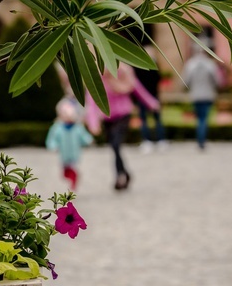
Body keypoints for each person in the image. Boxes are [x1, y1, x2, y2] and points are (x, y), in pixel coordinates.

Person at [85, 63, 160, 191]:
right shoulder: (98, 79)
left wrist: (151, 103)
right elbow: (91, 102)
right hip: (108, 118)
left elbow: (137, 89)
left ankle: (120, 176)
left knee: (115, 144)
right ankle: (125, 173)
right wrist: (93, 123)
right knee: (115, 148)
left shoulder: (123, 74)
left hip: (123, 114)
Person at [46, 97, 94, 191]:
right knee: (64, 171)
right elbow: (52, 139)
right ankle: (71, 181)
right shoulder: (57, 127)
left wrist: (89, 141)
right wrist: (53, 146)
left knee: (72, 169)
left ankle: (73, 183)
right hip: (64, 153)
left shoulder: (77, 127)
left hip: (74, 153)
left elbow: (83, 136)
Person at [182, 48, 222, 150]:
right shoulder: (210, 64)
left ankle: (200, 140)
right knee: (204, 118)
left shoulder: (190, 64)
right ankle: (202, 141)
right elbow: (217, 80)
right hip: (207, 95)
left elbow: (185, 81)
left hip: (195, 95)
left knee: (199, 118)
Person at [133, 45, 167, 153]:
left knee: (144, 121)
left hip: (143, 97)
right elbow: (158, 80)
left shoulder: (138, 66)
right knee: (157, 120)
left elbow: (135, 83)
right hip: (153, 96)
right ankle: (161, 141)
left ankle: (147, 142)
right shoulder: (154, 66)